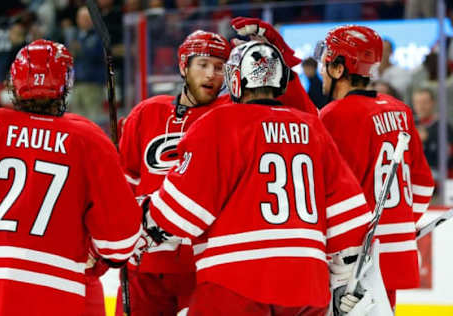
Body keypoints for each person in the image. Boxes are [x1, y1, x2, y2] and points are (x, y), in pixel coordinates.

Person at [142, 41, 373, 316]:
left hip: (234, 282)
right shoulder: (312, 128)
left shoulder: (218, 123)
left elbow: (181, 215)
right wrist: (343, 280)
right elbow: (350, 221)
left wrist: (142, 219)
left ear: (236, 80)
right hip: (307, 288)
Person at [118, 18, 318, 316]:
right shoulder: (146, 113)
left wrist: (278, 52)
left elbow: (303, 115)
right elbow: (125, 182)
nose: (212, 74)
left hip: (201, 262)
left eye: (219, 66)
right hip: (145, 261)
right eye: (203, 64)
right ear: (184, 65)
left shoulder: (233, 114)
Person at [0, 39, 143, 315]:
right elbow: (119, 245)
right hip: (57, 293)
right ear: (66, 84)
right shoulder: (88, 139)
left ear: (14, 82)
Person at [317, 25, 435, 309]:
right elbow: (423, 185)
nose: (322, 70)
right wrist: (398, 224)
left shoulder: (334, 115)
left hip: (357, 260)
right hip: (398, 253)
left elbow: (330, 195)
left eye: (326, 63)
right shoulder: (399, 110)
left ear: (338, 68)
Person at [412, 87, 453, 179]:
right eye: (417, 103)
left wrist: (427, 139)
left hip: (436, 174)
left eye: (424, 103)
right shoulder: (409, 124)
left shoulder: (443, 126)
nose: (420, 107)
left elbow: (446, 158)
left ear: (433, 103)